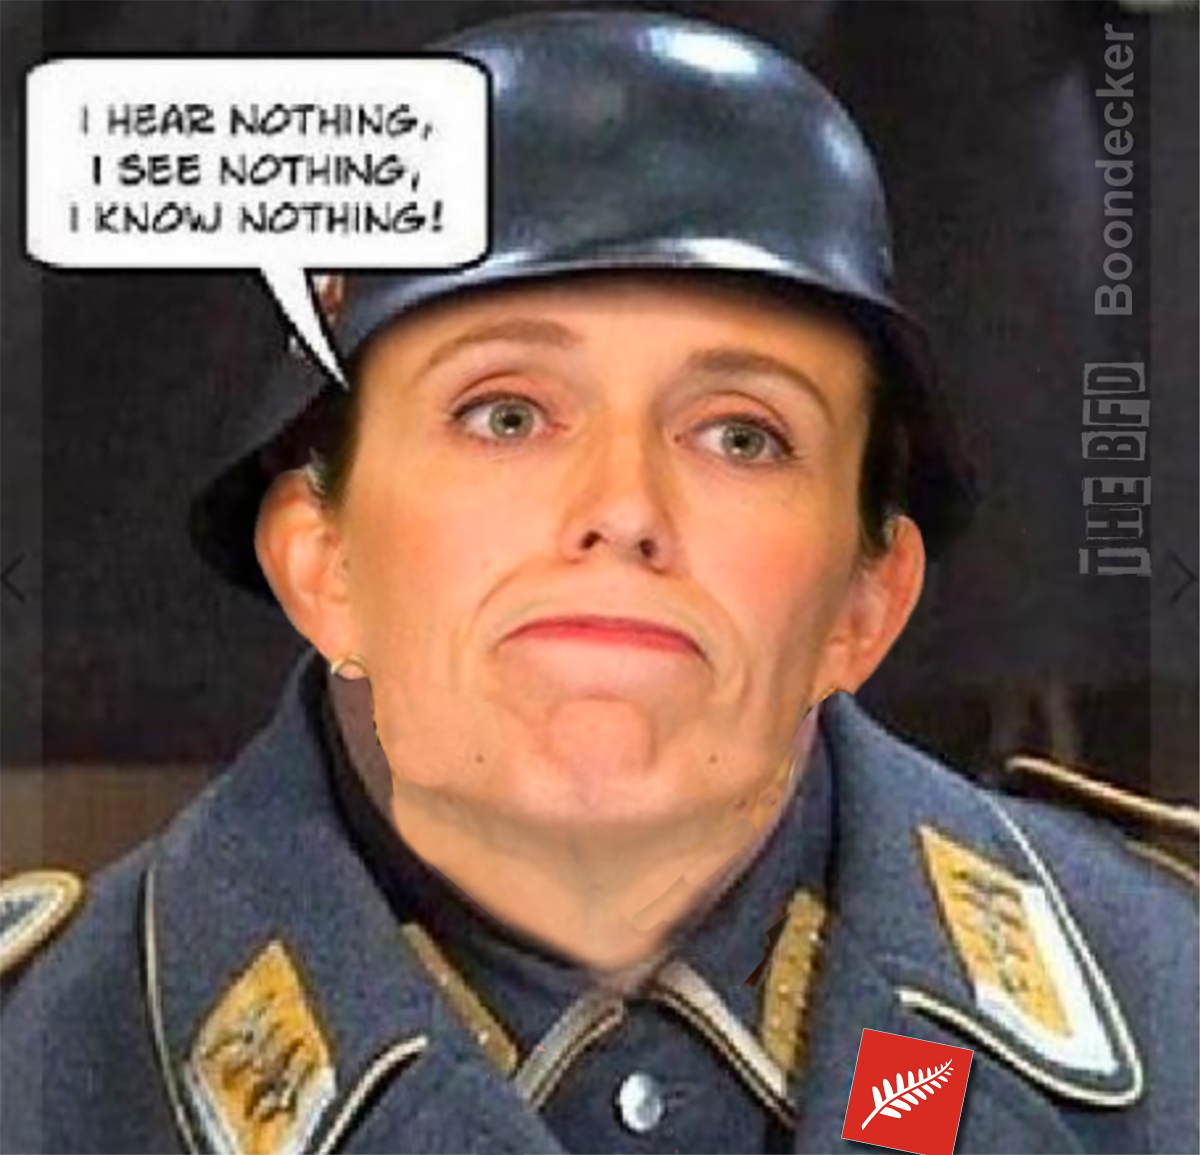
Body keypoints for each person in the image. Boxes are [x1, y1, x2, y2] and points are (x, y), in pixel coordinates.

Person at [1, 11, 1195, 1155]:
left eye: (741, 435)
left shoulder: (1171, 1003)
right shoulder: (43, 1070)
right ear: (323, 563)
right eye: (506, 415)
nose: (624, 508)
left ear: (864, 601)